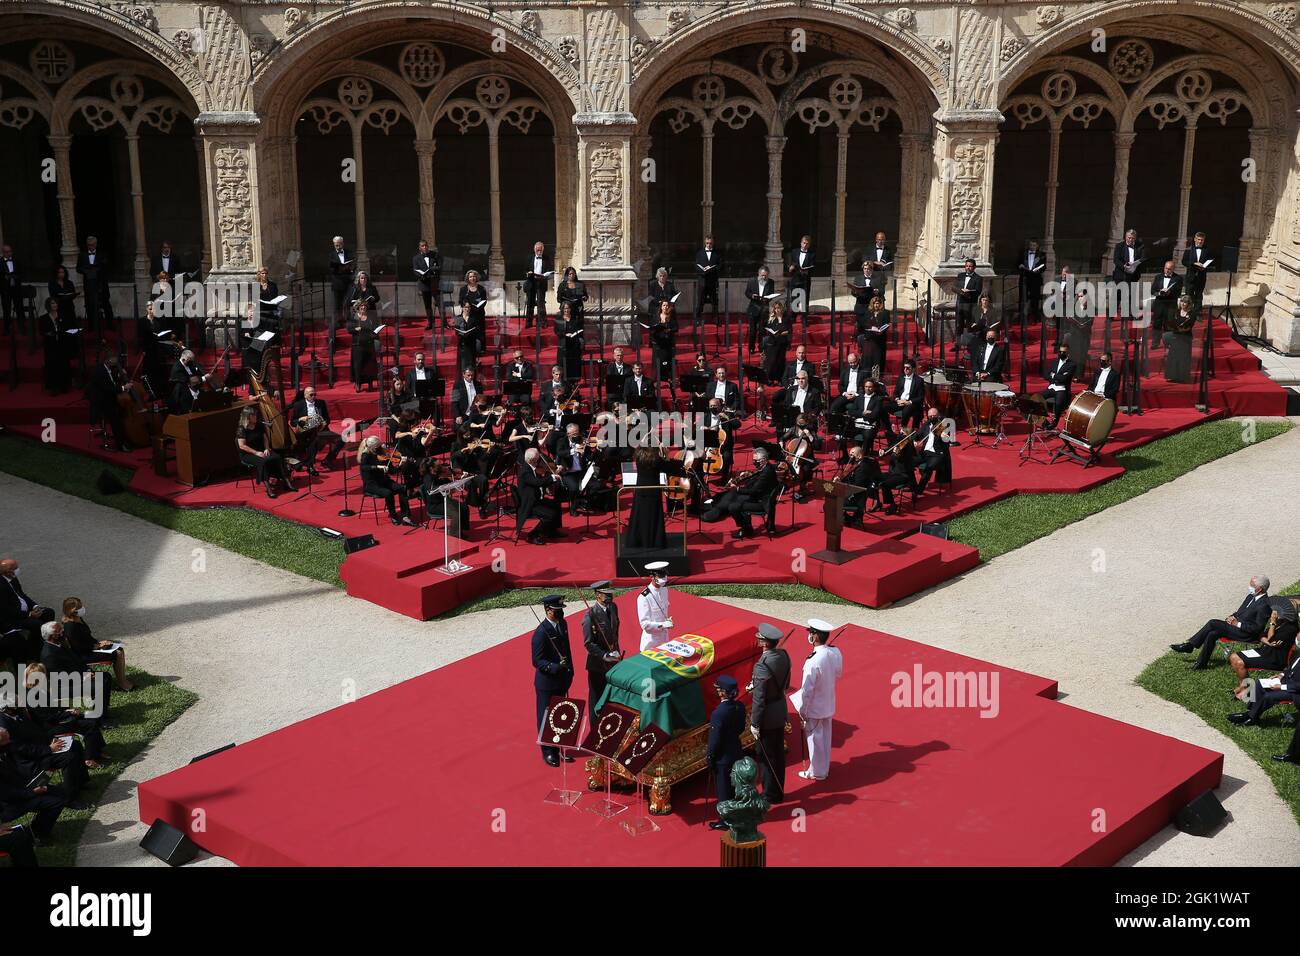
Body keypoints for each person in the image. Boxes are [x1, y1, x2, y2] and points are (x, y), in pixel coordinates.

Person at [1170, 575, 1272, 670]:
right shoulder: (1250, 596)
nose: (1249, 587)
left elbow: (1257, 629)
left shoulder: (1264, 605)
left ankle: (1190, 646)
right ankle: (1201, 663)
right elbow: (1240, 612)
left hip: (1246, 634)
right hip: (1235, 628)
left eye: (1252, 585)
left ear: (1259, 589)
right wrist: (1232, 617)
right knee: (1212, 633)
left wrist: (1237, 624)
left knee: (1213, 623)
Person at [749, 622, 791, 803]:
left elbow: (759, 699)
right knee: (778, 756)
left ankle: (770, 794)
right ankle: (778, 790)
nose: (758, 638)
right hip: (779, 708)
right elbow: (785, 685)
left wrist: (755, 723)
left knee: (766, 757)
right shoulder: (784, 656)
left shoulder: (762, 665)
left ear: (765, 642)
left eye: (760, 637)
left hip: (766, 716)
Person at [796, 619, 842, 782]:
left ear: (815, 637)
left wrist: (802, 710)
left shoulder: (812, 660)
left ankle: (817, 771)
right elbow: (838, 673)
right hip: (828, 703)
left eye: (810, 633)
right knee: (825, 737)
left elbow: (807, 690)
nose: (809, 636)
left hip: (814, 707)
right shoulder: (834, 652)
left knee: (814, 740)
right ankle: (823, 768)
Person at [531, 594, 574, 767]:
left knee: (560, 715)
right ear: (548, 611)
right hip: (547, 683)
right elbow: (537, 661)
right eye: (557, 611)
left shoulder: (563, 624)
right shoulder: (541, 633)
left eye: (561, 610)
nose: (560, 614)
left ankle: (560, 747)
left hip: (562, 679)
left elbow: (567, 650)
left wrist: (570, 670)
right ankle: (548, 751)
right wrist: (555, 667)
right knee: (546, 717)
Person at [701, 446, 779, 539]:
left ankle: (747, 529)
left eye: (756, 460)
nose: (754, 462)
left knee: (733, 507)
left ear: (764, 460)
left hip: (762, 502)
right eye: (754, 460)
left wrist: (737, 489)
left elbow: (754, 491)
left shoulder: (766, 473)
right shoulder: (767, 467)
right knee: (734, 497)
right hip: (759, 497)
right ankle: (746, 526)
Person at [61, 596, 131, 693]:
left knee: (119, 650)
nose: (83, 608)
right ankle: (123, 684)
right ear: (73, 611)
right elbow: (77, 648)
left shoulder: (78, 619)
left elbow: (87, 637)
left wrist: (99, 642)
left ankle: (123, 680)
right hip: (82, 655)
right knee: (118, 653)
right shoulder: (70, 627)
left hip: (90, 649)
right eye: (80, 607)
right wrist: (96, 646)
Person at [706, 674, 746, 830]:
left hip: (722, 757)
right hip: (736, 750)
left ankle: (725, 820)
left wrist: (710, 756)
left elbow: (715, 739)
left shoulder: (718, 713)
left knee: (723, 790)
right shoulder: (739, 707)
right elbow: (741, 728)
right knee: (735, 786)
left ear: (722, 692)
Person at [1226, 646, 1300, 727]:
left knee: (1268, 696)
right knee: (1259, 684)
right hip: (1288, 681)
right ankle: (1250, 713)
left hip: (1295, 692)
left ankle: (1252, 718)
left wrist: (1281, 687)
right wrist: (1281, 675)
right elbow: (1291, 668)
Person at [1228, 601, 1298, 683]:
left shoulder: (1291, 628)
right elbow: (1261, 636)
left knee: (1239, 662)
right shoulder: (1280, 622)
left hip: (1274, 659)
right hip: (1264, 651)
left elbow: (1270, 638)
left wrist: (1272, 622)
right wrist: (1268, 643)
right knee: (1233, 656)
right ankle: (1244, 688)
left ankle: (1245, 690)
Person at [0, 559, 52, 664]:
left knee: (49, 612)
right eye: (15, 568)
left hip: (25, 611)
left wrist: (35, 606)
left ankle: (37, 645)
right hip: (13, 618)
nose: (18, 570)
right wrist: (29, 614)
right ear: (8, 571)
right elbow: (7, 611)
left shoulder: (13, 578)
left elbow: (22, 595)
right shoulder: (1, 586)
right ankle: (34, 654)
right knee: (37, 625)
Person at [236, 405, 294, 498]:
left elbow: (265, 439)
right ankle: (268, 488)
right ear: (247, 417)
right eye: (253, 415)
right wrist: (256, 453)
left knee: (277, 457)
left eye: (255, 415)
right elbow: (242, 446)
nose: (256, 417)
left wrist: (266, 448)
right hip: (248, 454)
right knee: (263, 461)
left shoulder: (259, 425)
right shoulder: (241, 429)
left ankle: (286, 482)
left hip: (261, 450)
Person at [581, 581, 622, 707]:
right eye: (606, 594)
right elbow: (589, 644)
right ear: (598, 595)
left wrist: (616, 650)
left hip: (614, 661)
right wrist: (605, 655)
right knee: (597, 699)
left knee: (612, 698)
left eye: (610, 594)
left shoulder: (613, 607)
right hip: (598, 665)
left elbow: (614, 632)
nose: (610, 596)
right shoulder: (590, 616)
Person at [288, 386, 343, 475]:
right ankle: (310, 466)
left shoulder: (321, 403)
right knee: (314, 441)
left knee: (341, 439)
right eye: (311, 395)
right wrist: (301, 419)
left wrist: (325, 423)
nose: (314, 396)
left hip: (321, 429)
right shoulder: (298, 405)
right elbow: (293, 422)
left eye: (315, 394)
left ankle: (328, 460)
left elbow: (327, 418)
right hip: (306, 431)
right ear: (305, 396)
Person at [626, 446, 667, 551]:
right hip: (654, 491)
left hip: (640, 490)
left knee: (639, 515)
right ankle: (655, 541)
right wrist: (665, 454)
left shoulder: (638, 456)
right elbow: (667, 466)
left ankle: (637, 540)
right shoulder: (657, 460)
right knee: (654, 516)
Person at [517, 447, 562, 544]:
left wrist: (553, 474)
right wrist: (552, 478)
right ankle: (532, 535)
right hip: (530, 503)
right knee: (550, 515)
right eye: (538, 458)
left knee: (556, 504)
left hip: (536, 499)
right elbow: (537, 483)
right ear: (532, 460)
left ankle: (551, 531)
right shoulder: (525, 472)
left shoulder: (533, 468)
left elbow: (541, 481)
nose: (540, 460)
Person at [913, 407, 954, 494]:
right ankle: (911, 484)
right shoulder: (927, 425)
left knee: (929, 468)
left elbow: (945, 438)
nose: (932, 418)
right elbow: (917, 435)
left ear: (938, 416)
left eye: (934, 416)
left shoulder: (944, 425)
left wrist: (943, 435)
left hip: (937, 454)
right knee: (908, 463)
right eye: (930, 416)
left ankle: (918, 490)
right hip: (925, 453)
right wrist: (914, 442)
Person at [76, 236, 113, 331]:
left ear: (96, 244)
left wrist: (98, 269)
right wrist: (86, 271)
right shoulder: (82, 255)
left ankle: (110, 325)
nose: (90, 247)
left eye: (92, 245)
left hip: (101, 284)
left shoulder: (102, 254)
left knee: (105, 304)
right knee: (89, 305)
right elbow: (78, 268)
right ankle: (91, 326)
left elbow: (107, 266)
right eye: (89, 245)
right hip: (88, 284)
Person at [39, 297, 74, 395]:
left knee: (63, 364)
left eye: (56, 303)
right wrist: (49, 334)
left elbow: (67, 328)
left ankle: (64, 385)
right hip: (51, 346)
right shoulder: (43, 318)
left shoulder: (63, 316)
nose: (55, 305)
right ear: (48, 305)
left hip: (62, 344)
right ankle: (54, 387)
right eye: (52, 303)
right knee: (52, 365)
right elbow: (41, 331)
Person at [637, 562, 673, 651]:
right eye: (660, 576)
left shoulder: (664, 589)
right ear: (652, 577)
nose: (663, 578)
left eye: (664, 575)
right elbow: (645, 625)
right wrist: (663, 625)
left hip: (664, 641)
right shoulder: (644, 597)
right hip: (651, 645)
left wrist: (668, 621)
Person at [1041, 341, 1076, 429]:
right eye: (1060, 352)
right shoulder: (1055, 362)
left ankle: (1054, 423)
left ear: (1068, 353)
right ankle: (1043, 420)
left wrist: (1053, 375)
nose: (1061, 353)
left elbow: (1065, 379)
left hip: (1062, 389)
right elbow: (1046, 375)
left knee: (1059, 403)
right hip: (1052, 387)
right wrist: (1057, 377)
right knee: (1038, 398)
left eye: (1063, 352)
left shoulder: (1072, 364)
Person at [1163, 294, 1197, 384]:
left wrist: (1183, 329)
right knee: (1173, 357)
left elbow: (1190, 325)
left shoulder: (1192, 313)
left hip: (1185, 337)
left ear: (1189, 304)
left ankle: (1182, 377)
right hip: (1176, 335)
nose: (1183, 303)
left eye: (1185, 302)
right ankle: (1172, 376)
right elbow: (1172, 322)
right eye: (1182, 301)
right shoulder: (1176, 312)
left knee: (1183, 358)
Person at [346, 301, 379, 392]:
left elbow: (375, 328)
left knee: (369, 365)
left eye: (364, 307)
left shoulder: (371, 317)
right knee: (358, 365)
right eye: (361, 307)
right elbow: (349, 329)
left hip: (369, 344)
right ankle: (358, 383)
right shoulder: (354, 317)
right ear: (358, 308)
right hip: (358, 345)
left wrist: (374, 334)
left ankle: (370, 383)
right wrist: (356, 329)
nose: (363, 308)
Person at [327, 236, 355, 332]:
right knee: (337, 305)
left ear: (342, 244)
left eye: (339, 245)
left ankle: (349, 323)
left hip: (347, 282)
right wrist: (340, 268)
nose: (337, 247)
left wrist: (349, 268)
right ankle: (336, 323)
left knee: (347, 303)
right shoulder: (331, 255)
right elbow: (330, 269)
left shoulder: (349, 253)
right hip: (337, 283)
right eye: (336, 245)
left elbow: (353, 265)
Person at [694, 235, 722, 331]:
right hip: (702, 281)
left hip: (713, 282)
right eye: (707, 243)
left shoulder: (717, 254)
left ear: (712, 243)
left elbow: (720, 266)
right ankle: (697, 319)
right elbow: (696, 266)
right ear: (705, 243)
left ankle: (715, 318)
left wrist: (711, 270)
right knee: (700, 302)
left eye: (710, 243)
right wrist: (703, 271)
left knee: (714, 301)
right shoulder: (699, 253)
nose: (709, 245)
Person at [412, 240, 442, 329]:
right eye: (422, 246)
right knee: (427, 304)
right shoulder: (416, 258)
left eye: (426, 245)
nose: (424, 247)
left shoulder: (434, 254)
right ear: (419, 247)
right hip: (424, 282)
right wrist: (421, 275)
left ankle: (444, 323)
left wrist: (433, 269)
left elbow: (440, 266)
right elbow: (415, 270)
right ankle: (430, 323)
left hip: (434, 282)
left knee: (440, 303)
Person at [744, 266, 774, 354]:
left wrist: (768, 299)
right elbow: (747, 292)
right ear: (759, 274)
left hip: (764, 309)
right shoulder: (752, 281)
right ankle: (751, 348)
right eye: (762, 275)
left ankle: (762, 347)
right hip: (753, 308)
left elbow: (771, 294)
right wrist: (752, 296)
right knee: (752, 330)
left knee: (762, 330)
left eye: (765, 276)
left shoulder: (770, 282)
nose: (764, 277)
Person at [1181, 231, 1213, 309]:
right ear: (1195, 239)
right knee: (1189, 295)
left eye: (1202, 240)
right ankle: (1188, 312)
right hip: (1190, 276)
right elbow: (1184, 262)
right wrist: (1194, 264)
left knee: (1199, 295)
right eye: (1198, 239)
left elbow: (1210, 260)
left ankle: (1197, 313)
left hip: (1201, 277)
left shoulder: (1207, 249)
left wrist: (1205, 266)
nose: (1200, 241)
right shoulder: (1188, 249)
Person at [523, 242, 552, 328]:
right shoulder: (529, 258)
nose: (539, 252)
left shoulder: (546, 258)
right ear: (534, 250)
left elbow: (549, 269)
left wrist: (546, 275)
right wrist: (527, 273)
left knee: (541, 303)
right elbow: (524, 270)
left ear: (543, 250)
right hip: (531, 282)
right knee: (530, 303)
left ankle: (543, 322)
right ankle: (529, 322)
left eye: (541, 250)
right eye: (537, 250)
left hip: (541, 282)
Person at [1150, 260, 1183, 336]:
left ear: (1173, 269)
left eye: (1169, 269)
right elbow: (1152, 291)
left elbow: (1178, 293)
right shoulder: (1158, 277)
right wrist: (1159, 293)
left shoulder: (1178, 278)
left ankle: (1167, 343)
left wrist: (1169, 292)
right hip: (1159, 304)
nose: (1167, 270)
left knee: (1168, 325)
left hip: (1170, 305)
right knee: (1156, 325)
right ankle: (1155, 343)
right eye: (1166, 268)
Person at [1018, 237, 1046, 323]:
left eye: (1034, 245)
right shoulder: (1023, 253)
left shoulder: (1042, 254)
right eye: (1031, 245)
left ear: (1037, 246)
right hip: (1025, 278)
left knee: (1035, 299)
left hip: (1035, 279)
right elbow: (1017, 263)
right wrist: (1020, 266)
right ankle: (1022, 317)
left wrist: (1038, 270)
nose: (1032, 247)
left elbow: (1044, 266)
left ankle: (1035, 317)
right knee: (1022, 298)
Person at [788, 235, 814, 326]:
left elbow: (813, 267)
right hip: (795, 279)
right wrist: (790, 267)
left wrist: (806, 270)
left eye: (807, 244)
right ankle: (793, 317)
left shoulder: (811, 254)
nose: (805, 245)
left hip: (805, 280)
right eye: (803, 243)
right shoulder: (794, 252)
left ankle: (804, 319)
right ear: (801, 243)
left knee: (804, 300)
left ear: (809, 245)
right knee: (794, 298)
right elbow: (790, 263)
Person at [954, 258, 981, 330]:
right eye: (966, 266)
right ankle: (959, 340)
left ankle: (969, 340)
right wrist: (961, 291)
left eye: (970, 266)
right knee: (959, 324)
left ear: (974, 267)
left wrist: (968, 292)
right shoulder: (960, 275)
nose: (968, 268)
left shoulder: (978, 278)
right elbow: (954, 288)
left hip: (970, 304)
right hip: (960, 303)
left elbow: (978, 291)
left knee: (969, 324)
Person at [0, 244, 21, 336]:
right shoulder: (0, 262)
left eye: (10, 251)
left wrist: (15, 277)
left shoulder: (16, 260)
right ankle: (7, 329)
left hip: (15, 289)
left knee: (19, 308)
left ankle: (21, 327)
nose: (9, 253)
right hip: (5, 290)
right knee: (7, 310)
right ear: (3, 252)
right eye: (7, 252)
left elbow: (20, 272)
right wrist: (4, 278)